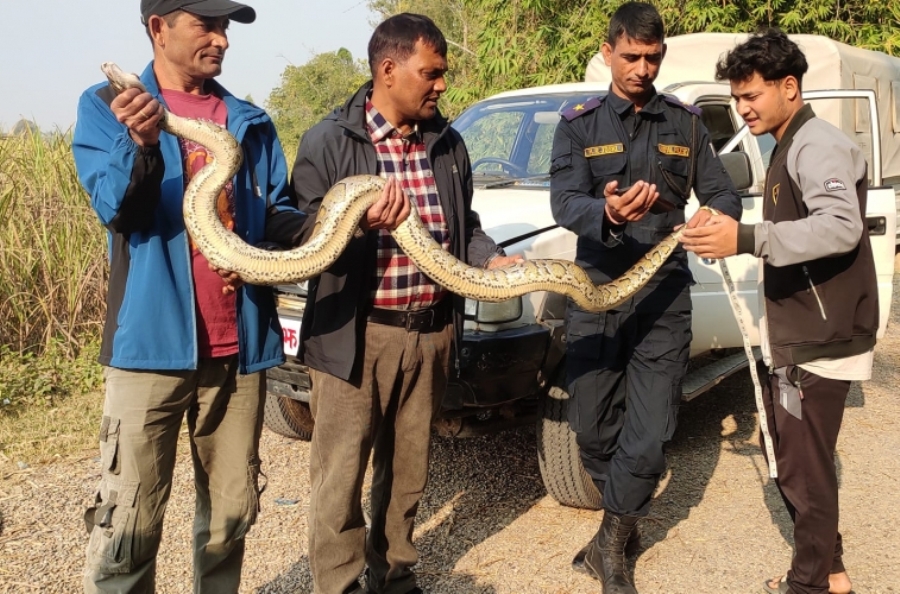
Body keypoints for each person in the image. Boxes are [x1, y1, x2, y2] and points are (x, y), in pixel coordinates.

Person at [72, 1, 311, 591]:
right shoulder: (106, 109)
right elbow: (118, 209)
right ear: (158, 28)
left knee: (229, 519)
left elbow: (276, 214)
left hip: (239, 350)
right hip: (148, 348)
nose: (221, 39)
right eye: (206, 24)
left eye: (225, 27)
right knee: (127, 524)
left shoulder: (248, 119)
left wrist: (334, 222)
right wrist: (144, 143)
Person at [290, 13, 520, 594]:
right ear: (388, 70)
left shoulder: (447, 141)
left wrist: (488, 257)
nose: (441, 85)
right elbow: (294, 230)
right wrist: (355, 224)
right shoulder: (330, 140)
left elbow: (462, 223)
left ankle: (393, 575)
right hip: (357, 334)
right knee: (339, 475)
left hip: (431, 331)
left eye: (442, 73)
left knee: (408, 472)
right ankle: (339, 584)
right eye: (431, 73)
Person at [548, 3, 743, 592]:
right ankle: (622, 517)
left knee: (653, 430)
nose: (641, 68)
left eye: (652, 57)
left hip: (662, 297)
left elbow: (723, 194)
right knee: (590, 427)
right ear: (608, 52)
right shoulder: (578, 123)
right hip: (597, 291)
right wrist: (604, 211)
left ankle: (611, 549)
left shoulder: (684, 122)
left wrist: (715, 218)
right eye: (630, 56)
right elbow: (563, 201)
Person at [680, 29, 878, 594]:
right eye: (737, 98)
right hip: (803, 333)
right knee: (791, 455)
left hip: (823, 336)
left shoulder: (815, 144)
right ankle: (830, 574)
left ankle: (810, 584)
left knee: (803, 469)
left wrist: (744, 236)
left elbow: (841, 226)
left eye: (751, 96)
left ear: (789, 87)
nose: (742, 109)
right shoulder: (789, 144)